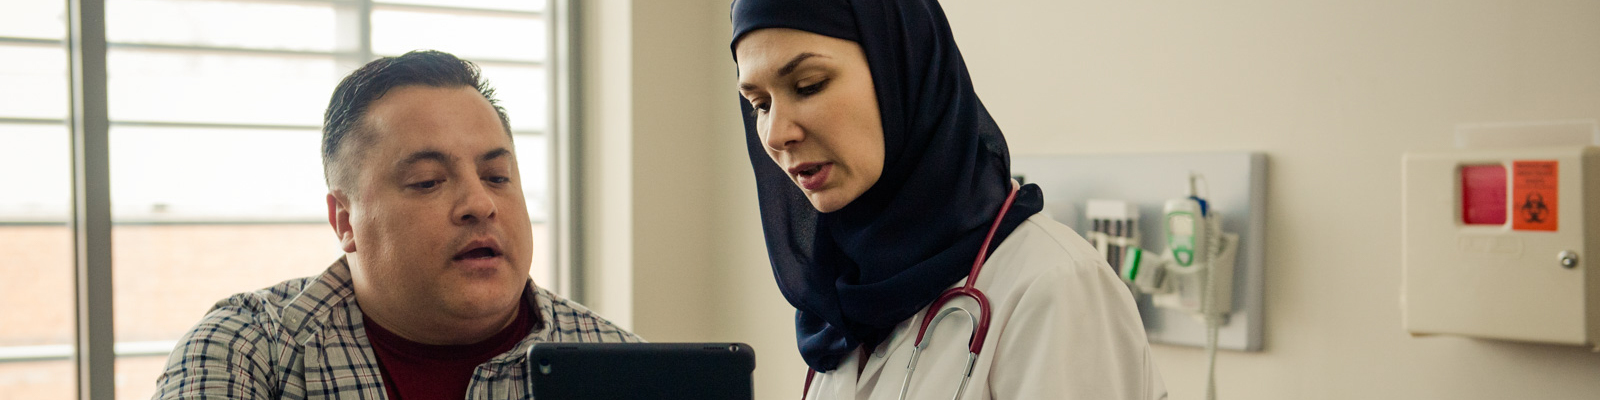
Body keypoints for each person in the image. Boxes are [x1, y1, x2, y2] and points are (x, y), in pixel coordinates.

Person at [729, 0, 1167, 399]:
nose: (776, 133)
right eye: (759, 104)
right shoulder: (844, 305)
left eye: (809, 85)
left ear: (901, 69)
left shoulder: (1053, 285)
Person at [153, 50, 639, 399]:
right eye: (428, 181)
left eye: (497, 176)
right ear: (345, 220)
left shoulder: (623, 364)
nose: (479, 203)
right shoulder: (247, 350)